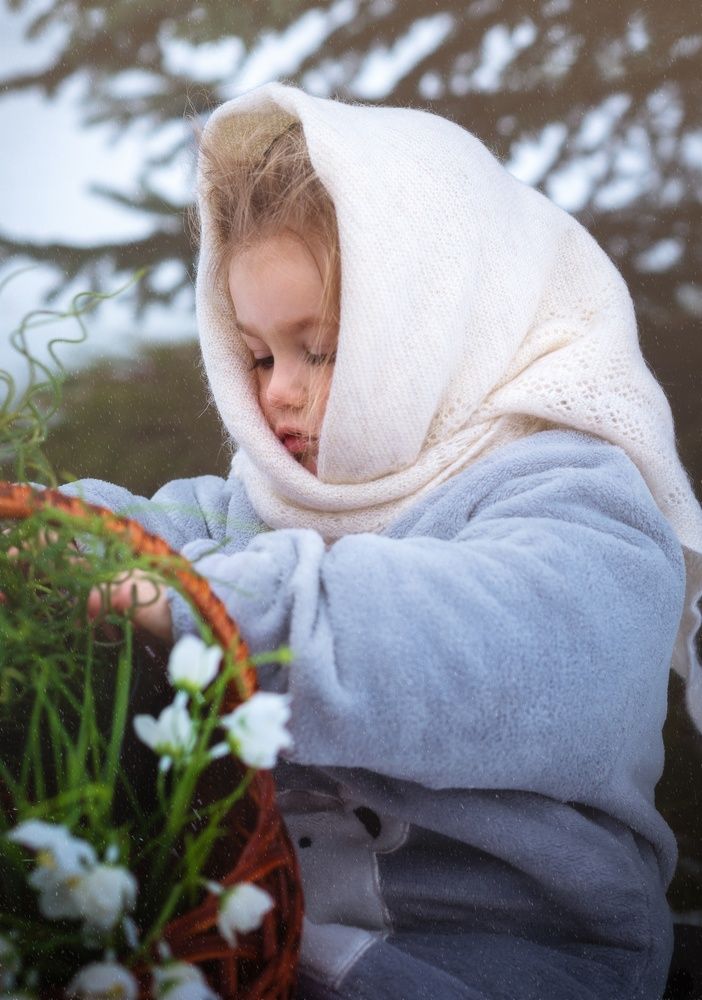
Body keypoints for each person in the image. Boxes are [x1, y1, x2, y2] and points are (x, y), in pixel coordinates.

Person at [62, 83, 702, 999]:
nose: (277, 392)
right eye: (257, 354)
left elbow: (482, 645)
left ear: (428, 328)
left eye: (316, 350)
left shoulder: (579, 504)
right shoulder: (261, 504)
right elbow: (145, 530)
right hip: (266, 959)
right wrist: (50, 536)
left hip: (510, 966)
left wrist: (220, 609)